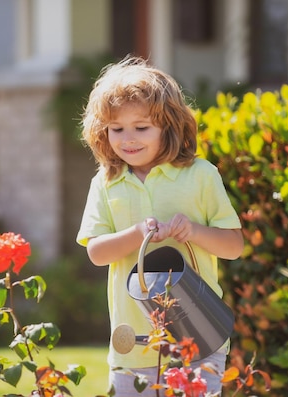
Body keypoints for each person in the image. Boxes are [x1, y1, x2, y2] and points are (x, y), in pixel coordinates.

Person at [76, 55, 244, 396]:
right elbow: (96, 251)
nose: (128, 139)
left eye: (141, 127)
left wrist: (194, 231)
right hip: (132, 344)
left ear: (169, 125)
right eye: (116, 129)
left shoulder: (200, 176)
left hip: (198, 336)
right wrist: (136, 233)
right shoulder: (106, 183)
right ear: (101, 130)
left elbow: (234, 246)